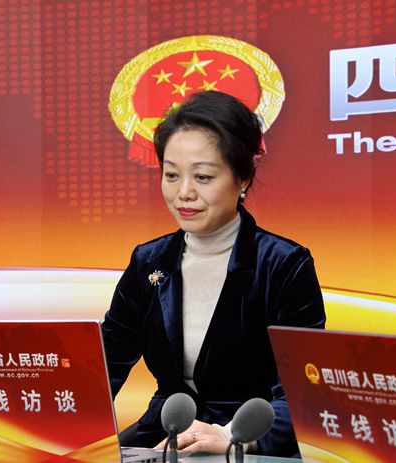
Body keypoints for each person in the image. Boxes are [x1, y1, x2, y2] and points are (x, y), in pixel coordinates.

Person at [101, 91, 326, 457]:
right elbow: (104, 364)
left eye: (203, 177)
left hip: (248, 440)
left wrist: (231, 435)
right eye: (171, 175)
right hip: (164, 434)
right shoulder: (148, 260)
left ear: (243, 179)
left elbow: (302, 389)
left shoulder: (284, 264)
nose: (183, 193)